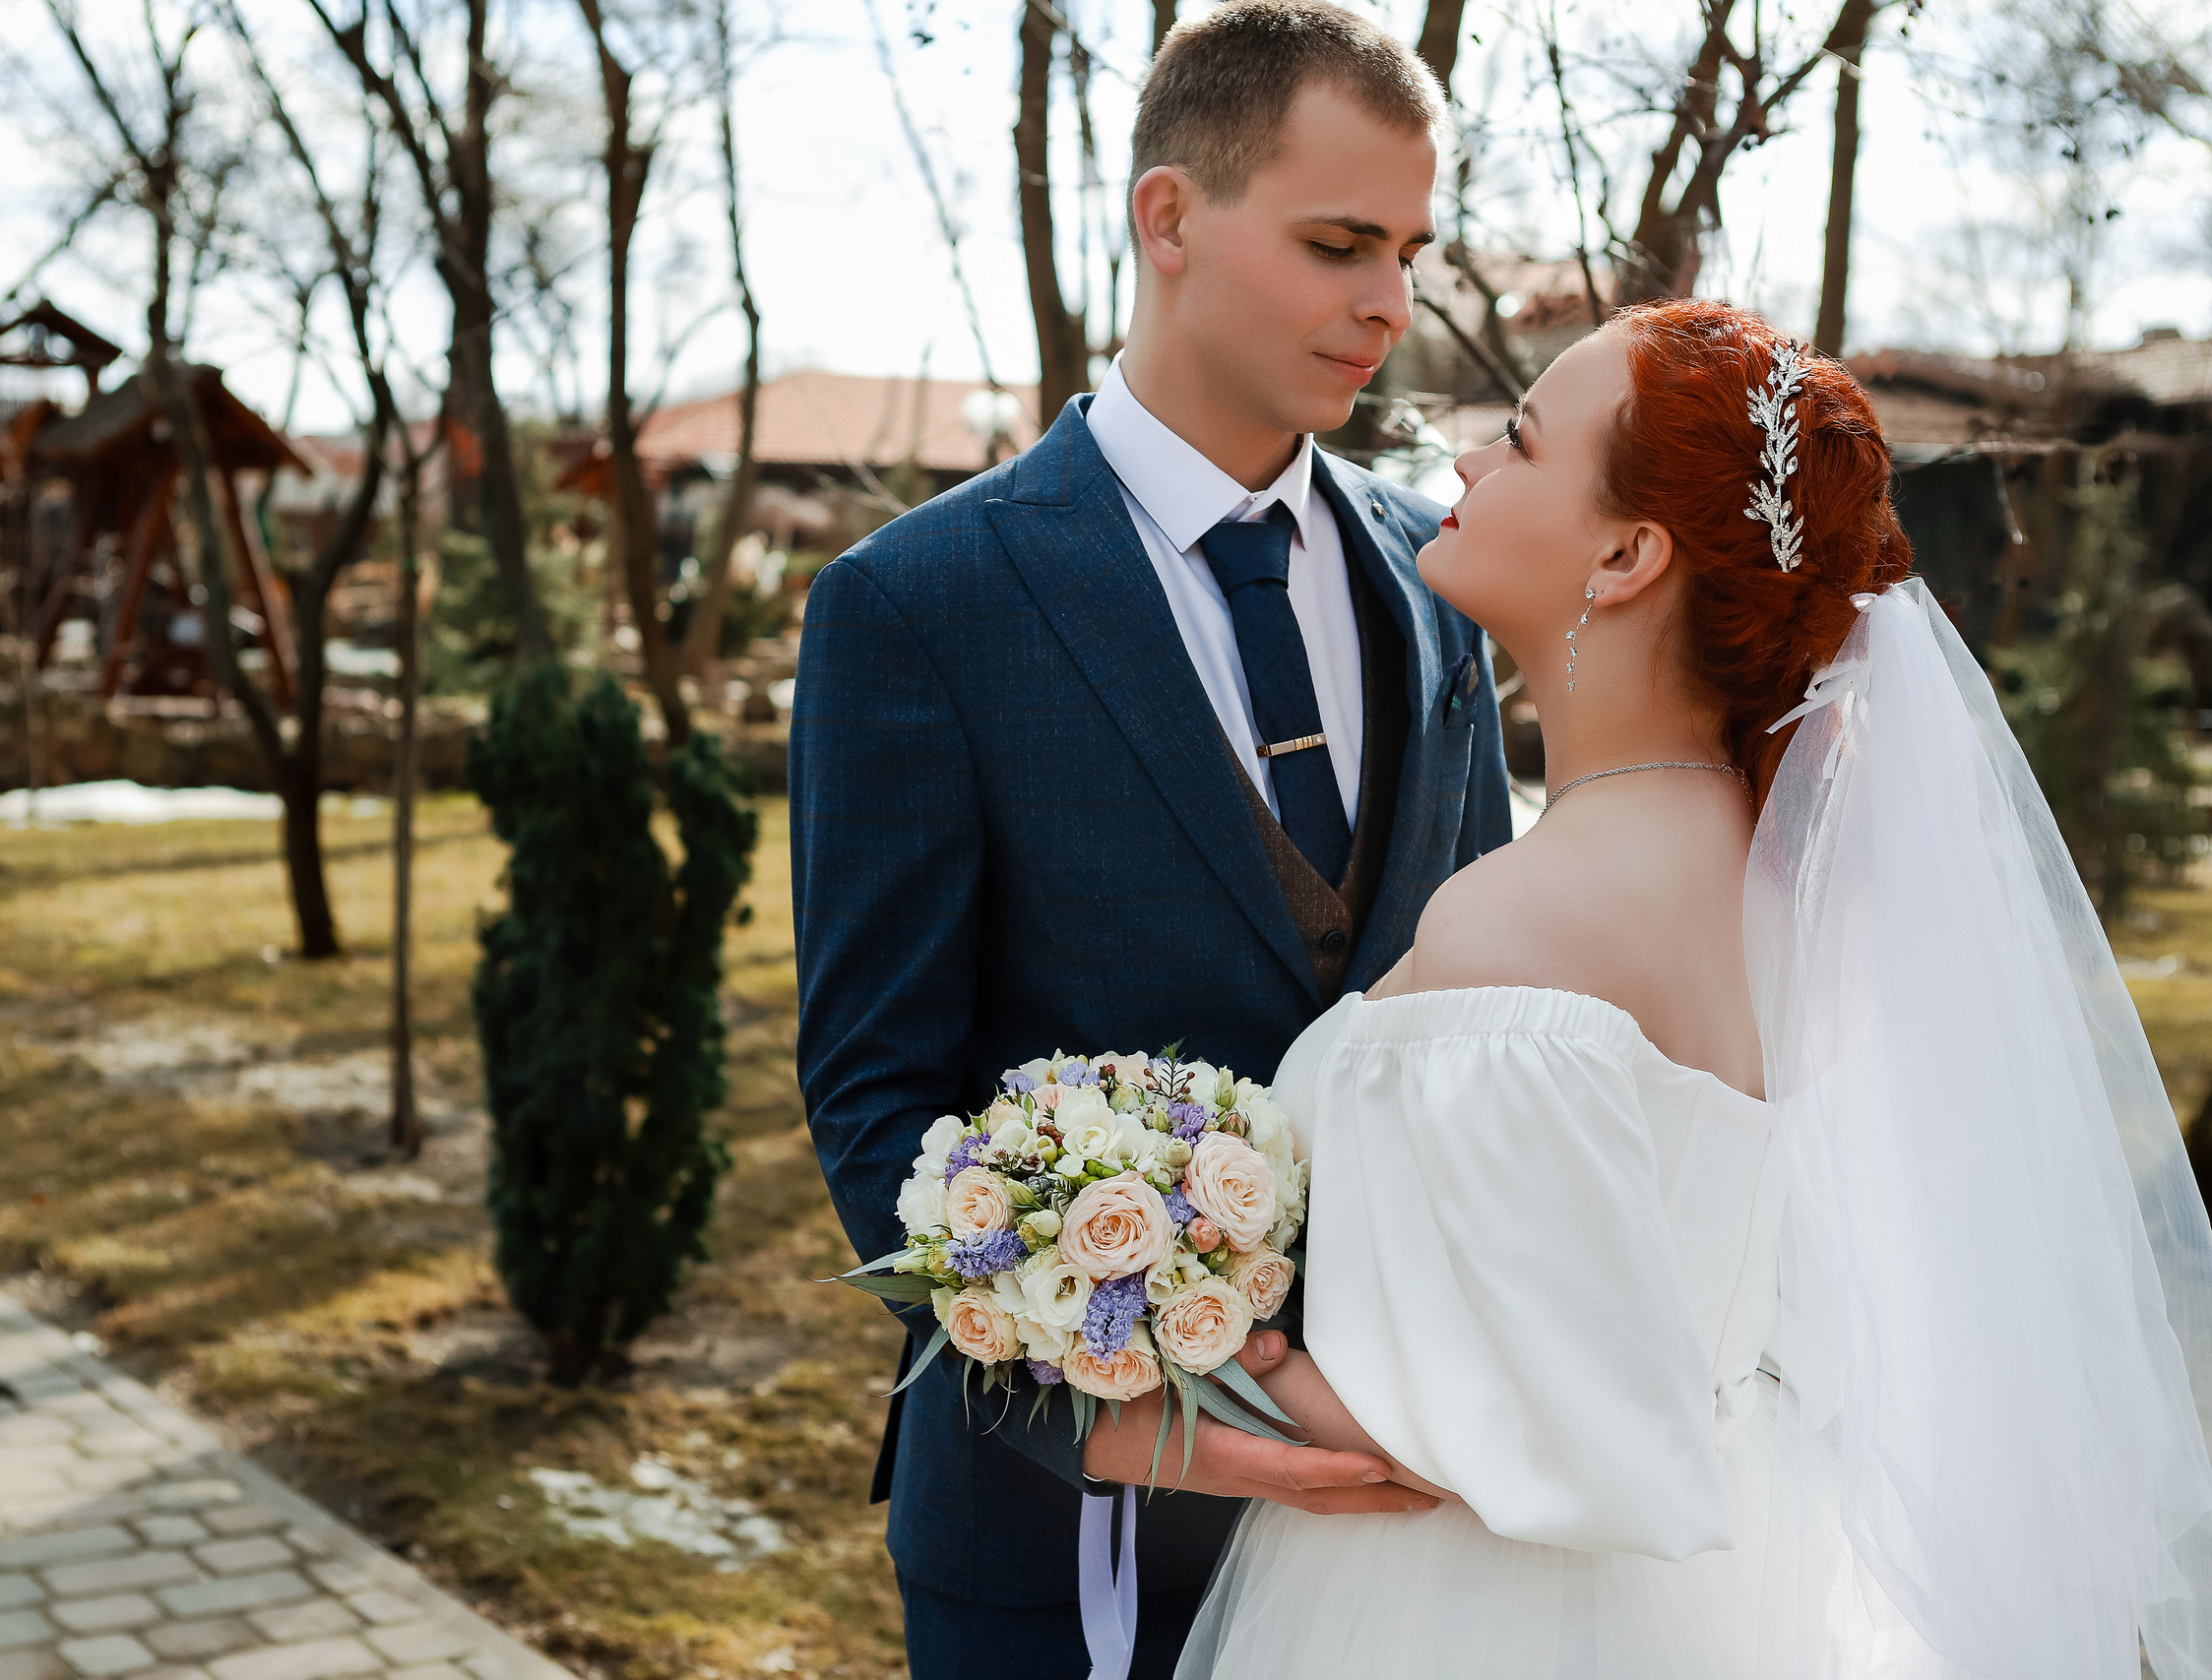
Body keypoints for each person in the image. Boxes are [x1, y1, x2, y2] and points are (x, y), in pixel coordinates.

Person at [1169, 298, 2212, 1678]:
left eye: (1521, 441)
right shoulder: (1797, 890)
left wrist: (1173, 1347)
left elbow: (1496, 1435)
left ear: (1626, 553)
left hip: (1475, 1616)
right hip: (1750, 1570)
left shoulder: (1521, 921)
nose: (1466, 461)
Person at [790, 3, 1509, 1673]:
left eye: (1410, 253)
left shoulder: (1446, 582)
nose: (1391, 306)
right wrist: (1101, 1404)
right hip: (1060, 1542)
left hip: (1413, 1526)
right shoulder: (921, 600)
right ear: (1170, 217)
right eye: (1339, 243)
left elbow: (1482, 1014)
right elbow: (876, 1086)